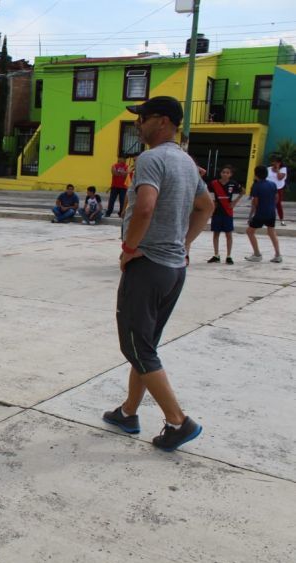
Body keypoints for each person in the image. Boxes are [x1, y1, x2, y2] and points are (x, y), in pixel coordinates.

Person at [102, 96, 214, 452]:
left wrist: (129, 250)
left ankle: (178, 422)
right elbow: (206, 206)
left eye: (143, 118)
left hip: (148, 266)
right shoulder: (185, 161)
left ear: (163, 122)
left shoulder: (152, 159)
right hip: (173, 269)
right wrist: (185, 243)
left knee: (135, 346)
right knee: (146, 346)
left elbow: (145, 207)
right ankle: (128, 412)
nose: (138, 124)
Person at [206, 164, 243, 264]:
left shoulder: (233, 183)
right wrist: (212, 201)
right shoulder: (214, 183)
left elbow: (242, 191)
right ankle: (216, 255)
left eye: (227, 173)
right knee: (216, 233)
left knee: (229, 234)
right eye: (223, 172)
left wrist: (235, 202)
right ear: (220, 173)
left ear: (230, 174)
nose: (225, 174)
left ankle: (229, 256)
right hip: (217, 211)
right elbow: (207, 191)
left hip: (228, 211)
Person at [246, 165, 283, 263]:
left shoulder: (256, 185)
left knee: (250, 231)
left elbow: (255, 202)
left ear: (256, 174)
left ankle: (257, 254)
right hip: (271, 212)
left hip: (261, 213)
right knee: (271, 232)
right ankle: (278, 255)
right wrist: (271, 206)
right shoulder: (272, 184)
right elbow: (276, 197)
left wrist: (251, 216)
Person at [267, 156, 288, 226]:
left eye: (276, 162)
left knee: (278, 204)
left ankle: (282, 220)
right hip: (269, 189)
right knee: (267, 203)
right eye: (273, 161)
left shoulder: (283, 169)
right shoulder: (268, 169)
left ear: (279, 163)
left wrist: (278, 169)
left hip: (278, 189)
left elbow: (279, 178)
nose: (274, 163)